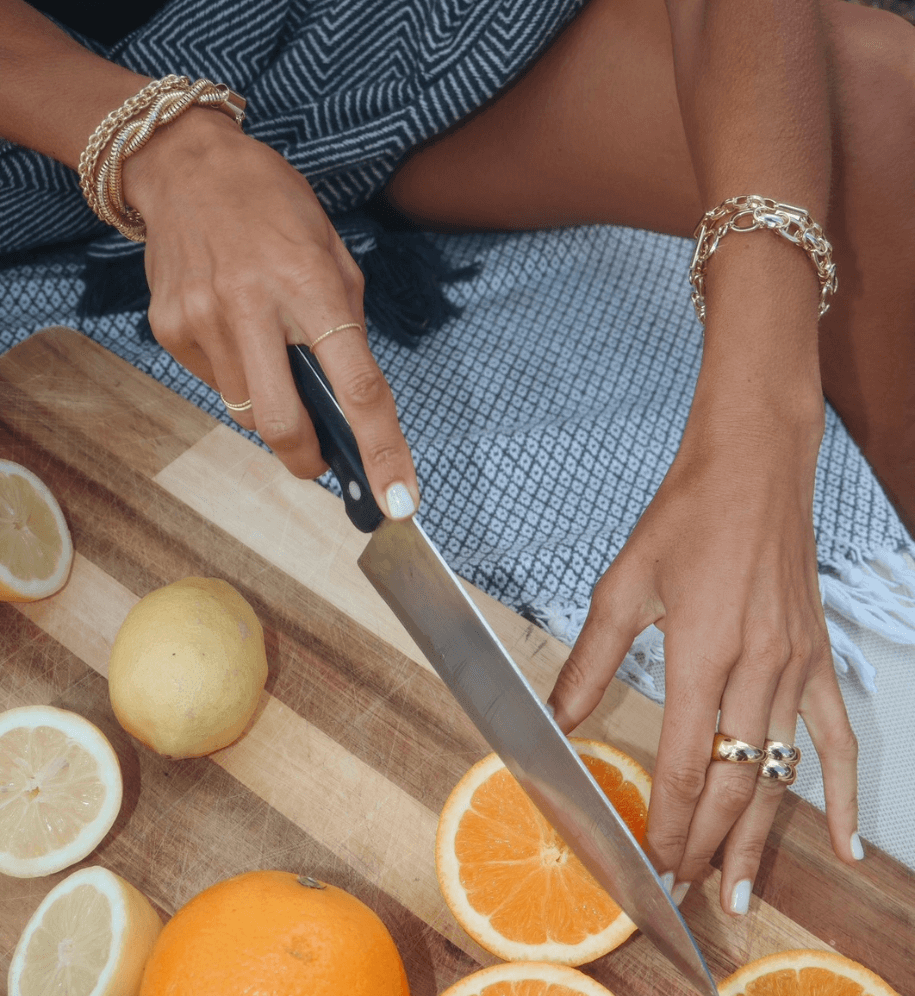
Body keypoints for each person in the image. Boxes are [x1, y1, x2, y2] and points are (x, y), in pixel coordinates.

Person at [2, 0, 913, 915]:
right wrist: (154, 145)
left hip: (376, 48)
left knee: (875, 97)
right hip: (42, 128)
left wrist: (762, 426)